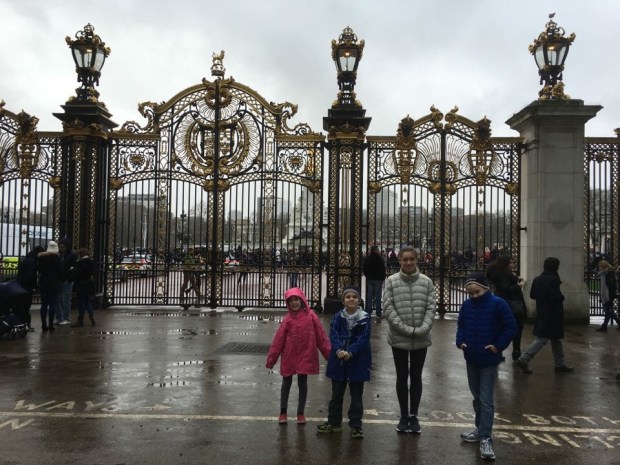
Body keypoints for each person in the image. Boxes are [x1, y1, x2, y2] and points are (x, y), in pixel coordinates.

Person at [457, 272, 517, 461]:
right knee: (477, 397)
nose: (474, 296)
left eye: (477, 292)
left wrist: (498, 346)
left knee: (486, 399)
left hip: (489, 359)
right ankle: (480, 429)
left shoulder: (498, 304)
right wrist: (460, 341)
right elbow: (461, 326)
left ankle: (486, 438)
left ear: (485, 288)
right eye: (471, 293)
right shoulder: (466, 306)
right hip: (472, 356)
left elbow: (511, 327)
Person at [382, 245, 436, 433]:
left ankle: (414, 415)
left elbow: (431, 308)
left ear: (416, 260)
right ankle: (404, 415)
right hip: (399, 337)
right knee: (402, 376)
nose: (408, 262)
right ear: (399, 261)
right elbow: (388, 309)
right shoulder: (391, 281)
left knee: (416, 376)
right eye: (405, 259)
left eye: (411, 259)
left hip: (420, 337)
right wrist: (408, 330)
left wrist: (423, 328)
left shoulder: (427, 282)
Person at [265, 287, 331, 425]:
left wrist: (330, 356)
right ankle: (283, 411)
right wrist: (272, 359)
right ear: (288, 303)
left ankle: (300, 413)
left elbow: (321, 337)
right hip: (289, 355)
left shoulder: (311, 316)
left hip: (305, 354)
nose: (294, 303)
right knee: (286, 382)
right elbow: (278, 341)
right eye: (291, 301)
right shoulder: (287, 319)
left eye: (296, 299)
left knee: (302, 383)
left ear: (302, 300)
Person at [317, 285, 371, 439]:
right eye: (348, 297)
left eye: (354, 297)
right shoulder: (337, 317)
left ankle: (356, 425)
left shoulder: (365, 317)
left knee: (356, 396)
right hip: (339, 360)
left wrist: (351, 351)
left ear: (359, 300)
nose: (351, 299)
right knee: (336, 394)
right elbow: (333, 334)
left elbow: (364, 339)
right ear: (343, 301)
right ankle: (334, 422)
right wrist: (339, 350)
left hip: (357, 361)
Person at [514, 257, 573, 374]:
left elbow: (532, 295)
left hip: (542, 311)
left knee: (556, 339)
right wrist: (561, 297)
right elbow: (555, 297)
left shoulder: (537, 279)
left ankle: (560, 364)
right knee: (543, 338)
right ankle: (524, 358)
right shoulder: (554, 280)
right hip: (553, 313)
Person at [486, 257, 527, 361]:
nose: (513, 264)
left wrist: (516, 278)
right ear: (506, 264)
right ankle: (516, 351)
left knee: (500, 328)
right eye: (511, 263)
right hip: (510, 304)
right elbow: (506, 288)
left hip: (501, 303)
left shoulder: (499, 274)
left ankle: (498, 351)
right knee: (515, 328)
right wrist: (519, 286)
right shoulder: (505, 275)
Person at [16, 245, 44, 329]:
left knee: (21, 305)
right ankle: (25, 324)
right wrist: (35, 286)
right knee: (25, 306)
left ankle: (21, 323)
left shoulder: (26, 259)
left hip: (21, 285)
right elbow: (31, 275)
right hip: (27, 287)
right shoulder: (32, 261)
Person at [37, 241, 63, 332]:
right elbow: (61, 272)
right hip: (54, 283)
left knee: (44, 304)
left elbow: (39, 270)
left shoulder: (42, 258)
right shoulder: (58, 259)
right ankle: (51, 325)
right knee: (53, 304)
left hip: (44, 282)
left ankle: (44, 325)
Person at [71, 248, 96, 327]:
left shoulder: (80, 263)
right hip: (88, 283)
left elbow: (77, 274)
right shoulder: (91, 262)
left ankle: (80, 320)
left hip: (81, 284)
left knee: (81, 303)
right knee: (87, 302)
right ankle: (92, 317)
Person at [57, 238, 78, 325]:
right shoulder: (59, 255)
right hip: (60, 279)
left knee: (65, 300)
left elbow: (74, 268)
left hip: (67, 280)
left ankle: (66, 318)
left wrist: (69, 279)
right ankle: (59, 318)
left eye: (63, 247)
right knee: (58, 299)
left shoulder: (72, 255)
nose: (61, 248)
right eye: (60, 246)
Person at [363, 245, 386, 318]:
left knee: (369, 296)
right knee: (378, 296)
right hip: (378, 280)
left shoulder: (367, 258)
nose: (378, 251)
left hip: (370, 279)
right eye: (377, 250)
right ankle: (378, 313)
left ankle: (368, 312)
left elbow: (364, 269)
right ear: (375, 250)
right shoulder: (379, 259)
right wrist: (382, 278)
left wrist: (367, 275)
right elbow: (383, 269)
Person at [594, 260, 618, 331]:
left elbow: (612, 285)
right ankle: (604, 326)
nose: (599, 268)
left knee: (608, 311)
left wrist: (610, 294)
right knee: (608, 311)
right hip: (605, 294)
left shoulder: (609, 273)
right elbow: (597, 275)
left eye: (600, 266)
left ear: (604, 266)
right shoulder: (603, 273)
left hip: (608, 294)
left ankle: (604, 326)